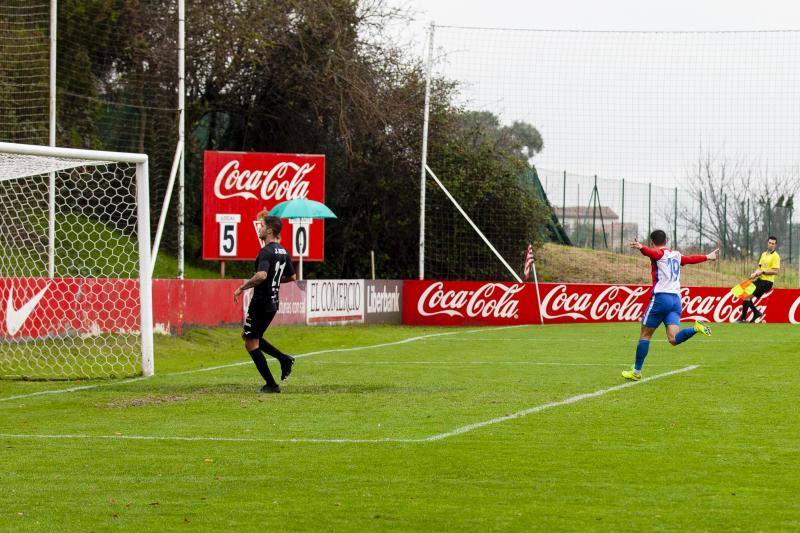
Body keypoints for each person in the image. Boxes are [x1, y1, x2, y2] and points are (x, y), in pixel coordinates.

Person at [622, 230, 719, 381]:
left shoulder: (659, 253)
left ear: (652, 242)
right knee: (673, 339)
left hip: (661, 298)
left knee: (645, 334)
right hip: (676, 301)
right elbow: (690, 259)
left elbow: (650, 253)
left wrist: (641, 247)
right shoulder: (677, 255)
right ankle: (696, 328)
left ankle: (636, 371)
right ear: (666, 240)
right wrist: (708, 256)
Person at [233, 216, 297, 393]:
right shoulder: (283, 251)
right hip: (273, 302)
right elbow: (292, 277)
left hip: (261, 302)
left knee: (250, 343)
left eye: (261, 226)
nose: (259, 229)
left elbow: (261, 275)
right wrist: (274, 283)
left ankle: (272, 384)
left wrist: (242, 287)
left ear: (269, 230)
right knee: (252, 337)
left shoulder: (266, 252)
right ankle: (284, 359)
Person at [738, 236, 780, 323]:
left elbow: (776, 271)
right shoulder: (764, 254)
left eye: (773, 243)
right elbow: (760, 268)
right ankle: (756, 313)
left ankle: (743, 319)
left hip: (767, 282)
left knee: (747, 296)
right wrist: (754, 274)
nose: (771, 245)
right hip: (760, 280)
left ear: (775, 245)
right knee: (745, 295)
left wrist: (763, 272)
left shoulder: (776, 256)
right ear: (767, 243)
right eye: (770, 243)